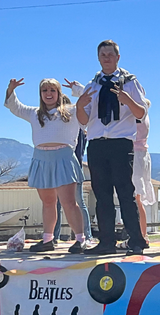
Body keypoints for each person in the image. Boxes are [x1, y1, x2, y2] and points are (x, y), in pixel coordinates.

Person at [76, 39, 148, 256]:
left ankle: (136, 241)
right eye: (103, 55)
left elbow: (141, 114)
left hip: (120, 142)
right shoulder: (93, 85)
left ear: (118, 57)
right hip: (97, 143)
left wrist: (128, 100)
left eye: (110, 54)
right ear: (98, 58)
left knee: (126, 192)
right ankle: (106, 241)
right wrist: (79, 105)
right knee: (102, 194)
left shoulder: (129, 82)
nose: (106, 58)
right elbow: (83, 120)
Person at [5, 78, 86, 254]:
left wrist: (77, 88)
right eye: (44, 91)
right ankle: (48, 240)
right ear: (40, 95)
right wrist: (11, 89)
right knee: (48, 202)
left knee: (69, 202)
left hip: (64, 157)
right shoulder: (34, 113)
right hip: (41, 158)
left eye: (52, 90)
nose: (48, 94)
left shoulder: (71, 111)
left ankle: (81, 239)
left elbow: (88, 100)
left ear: (59, 93)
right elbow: (15, 107)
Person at [53, 92, 92, 244]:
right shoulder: (80, 127)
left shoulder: (72, 126)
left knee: (67, 202)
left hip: (68, 165)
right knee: (75, 202)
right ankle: (85, 235)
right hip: (74, 165)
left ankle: (57, 236)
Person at [117, 98, 155, 250]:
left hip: (136, 155)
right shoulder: (144, 118)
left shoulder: (137, 118)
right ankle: (142, 235)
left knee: (135, 198)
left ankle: (140, 236)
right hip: (142, 154)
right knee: (137, 199)